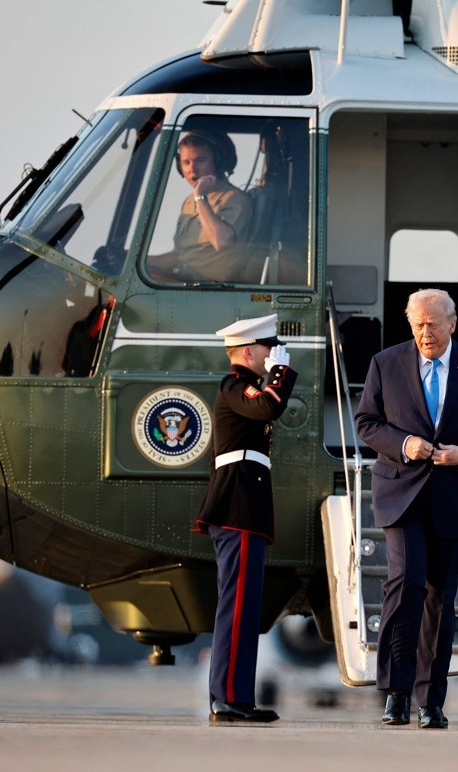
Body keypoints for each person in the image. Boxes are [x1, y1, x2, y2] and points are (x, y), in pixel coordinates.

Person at [355, 289, 458, 728]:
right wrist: (404, 443)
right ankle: (395, 692)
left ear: (452, 323)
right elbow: (366, 422)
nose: (425, 332)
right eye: (418, 325)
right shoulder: (385, 363)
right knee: (405, 583)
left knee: (440, 599)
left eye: (433, 324)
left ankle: (431, 701)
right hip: (401, 493)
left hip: (456, 495)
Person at [192, 313, 296, 723]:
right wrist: (282, 373)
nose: (273, 355)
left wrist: (276, 373)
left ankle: (235, 696)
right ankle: (226, 698)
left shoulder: (246, 387)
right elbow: (269, 407)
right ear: (250, 351)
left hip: (246, 508)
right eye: (268, 349)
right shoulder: (235, 386)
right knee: (236, 606)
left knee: (244, 607)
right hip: (236, 505)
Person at [166, 131, 255, 282]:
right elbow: (178, 256)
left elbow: (222, 242)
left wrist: (200, 198)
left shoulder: (236, 200)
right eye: (186, 162)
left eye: (200, 160)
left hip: (212, 289)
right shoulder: (189, 202)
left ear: (218, 162)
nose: (192, 169)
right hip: (184, 281)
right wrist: (128, 259)